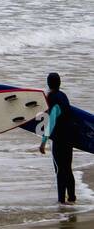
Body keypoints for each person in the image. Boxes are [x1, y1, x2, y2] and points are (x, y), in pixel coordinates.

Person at [38, 72, 77, 205]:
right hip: (70, 136)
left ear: (49, 84)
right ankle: (72, 197)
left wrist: (43, 141)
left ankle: (61, 200)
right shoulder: (63, 96)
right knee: (67, 168)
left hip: (60, 139)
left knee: (60, 170)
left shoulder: (52, 97)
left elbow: (52, 119)